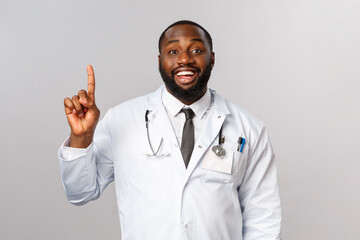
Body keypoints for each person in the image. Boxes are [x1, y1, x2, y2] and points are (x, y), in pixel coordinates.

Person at [58, 20, 281, 240]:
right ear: (160, 61)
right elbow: (80, 192)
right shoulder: (122, 119)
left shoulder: (249, 127)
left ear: (212, 59)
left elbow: (263, 216)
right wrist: (82, 138)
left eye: (196, 50)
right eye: (173, 51)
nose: (184, 59)